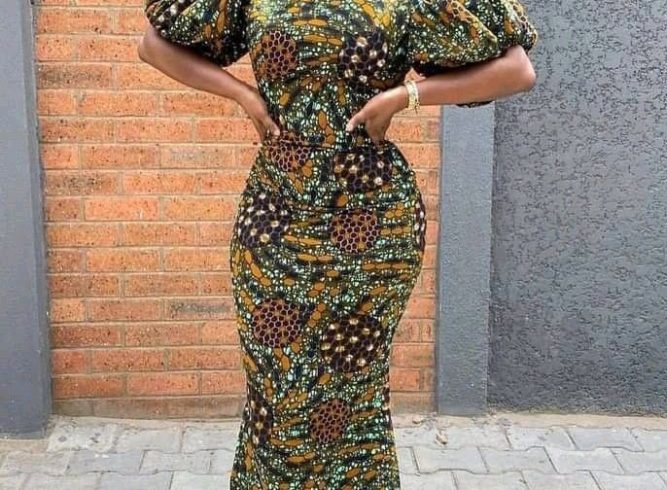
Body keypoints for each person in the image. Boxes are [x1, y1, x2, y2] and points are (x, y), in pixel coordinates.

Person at [138, 0, 538, 487]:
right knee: (276, 386)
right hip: (276, 215)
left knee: (354, 388)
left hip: (372, 220)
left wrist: (407, 95)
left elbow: (517, 70)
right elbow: (153, 46)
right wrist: (242, 94)